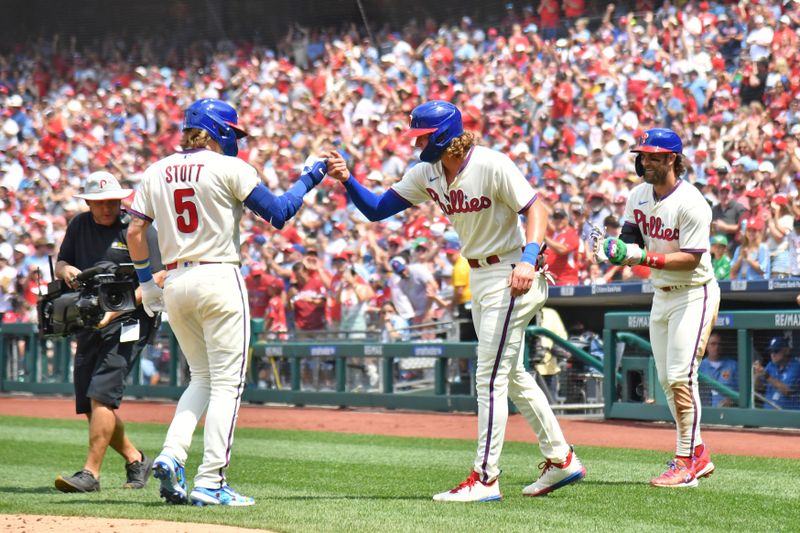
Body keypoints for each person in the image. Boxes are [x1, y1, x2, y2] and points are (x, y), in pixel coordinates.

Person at [326, 100, 586, 502]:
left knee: (490, 377)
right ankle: (561, 459)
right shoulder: (427, 172)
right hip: (481, 276)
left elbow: (538, 209)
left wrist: (529, 260)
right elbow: (378, 210)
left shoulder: (490, 163)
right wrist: (347, 180)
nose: (417, 143)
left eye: (423, 136)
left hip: (512, 272)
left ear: (445, 134)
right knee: (512, 374)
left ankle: (485, 479)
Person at [126, 98, 327, 506]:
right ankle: (211, 480)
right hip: (218, 274)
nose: (235, 139)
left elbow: (134, 231)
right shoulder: (229, 167)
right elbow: (279, 213)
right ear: (218, 131)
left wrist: (147, 282)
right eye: (232, 132)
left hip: (175, 279)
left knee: (200, 378)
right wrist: (309, 177)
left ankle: (171, 453)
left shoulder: (155, 170)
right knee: (228, 385)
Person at [597, 128, 720, 488]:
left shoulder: (692, 202)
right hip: (662, 293)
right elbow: (630, 238)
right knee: (668, 381)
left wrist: (641, 255)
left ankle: (685, 463)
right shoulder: (638, 194)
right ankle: (698, 454)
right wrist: (617, 249)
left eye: (652, 156)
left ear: (671, 159)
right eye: (643, 155)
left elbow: (690, 259)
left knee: (681, 377)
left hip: (693, 293)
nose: (644, 161)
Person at [53, 171, 163, 493]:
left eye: (112, 202)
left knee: (101, 394)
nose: (107, 208)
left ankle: (91, 474)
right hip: (90, 318)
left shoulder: (138, 228)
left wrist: (116, 310)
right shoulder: (78, 225)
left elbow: (159, 277)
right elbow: (61, 262)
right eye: (100, 203)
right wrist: (66, 270)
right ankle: (136, 459)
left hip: (131, 319)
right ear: (88, 202)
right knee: (90, 401)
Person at [753, 336, 800, 410]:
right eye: (771, 351)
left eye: (776, 351)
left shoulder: (796, 366)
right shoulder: (770, 365)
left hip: (788, 416)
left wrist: (767, 376)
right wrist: (757, 374)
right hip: (768, 414)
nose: (772, 354)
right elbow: (758, 387)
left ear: (786, 351)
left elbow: (787, 391)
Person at [698, 333, 737, 407]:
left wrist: (731, 400)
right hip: (705, 413)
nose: (716, 347)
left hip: (729, 412)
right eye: (713, 344)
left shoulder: (733, 365)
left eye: (719, 344)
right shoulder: (698, 367)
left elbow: (742, 391)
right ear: (706, 346)